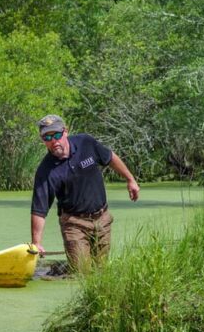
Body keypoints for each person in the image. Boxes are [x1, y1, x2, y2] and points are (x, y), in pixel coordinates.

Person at [30, 114, 140, 272]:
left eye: (57, 135)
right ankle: (63, 269)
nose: (54, 141)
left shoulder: (86, 143)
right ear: (43, 140)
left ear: (65, 131)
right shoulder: (45, 171)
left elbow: (110, 157)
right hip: (74, 224)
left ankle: (59, 269)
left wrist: (130, 179)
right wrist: (36, 242)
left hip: (102, 219)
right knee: (82, 273)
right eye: (47, 137)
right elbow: (39, 209)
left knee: (101, 270)